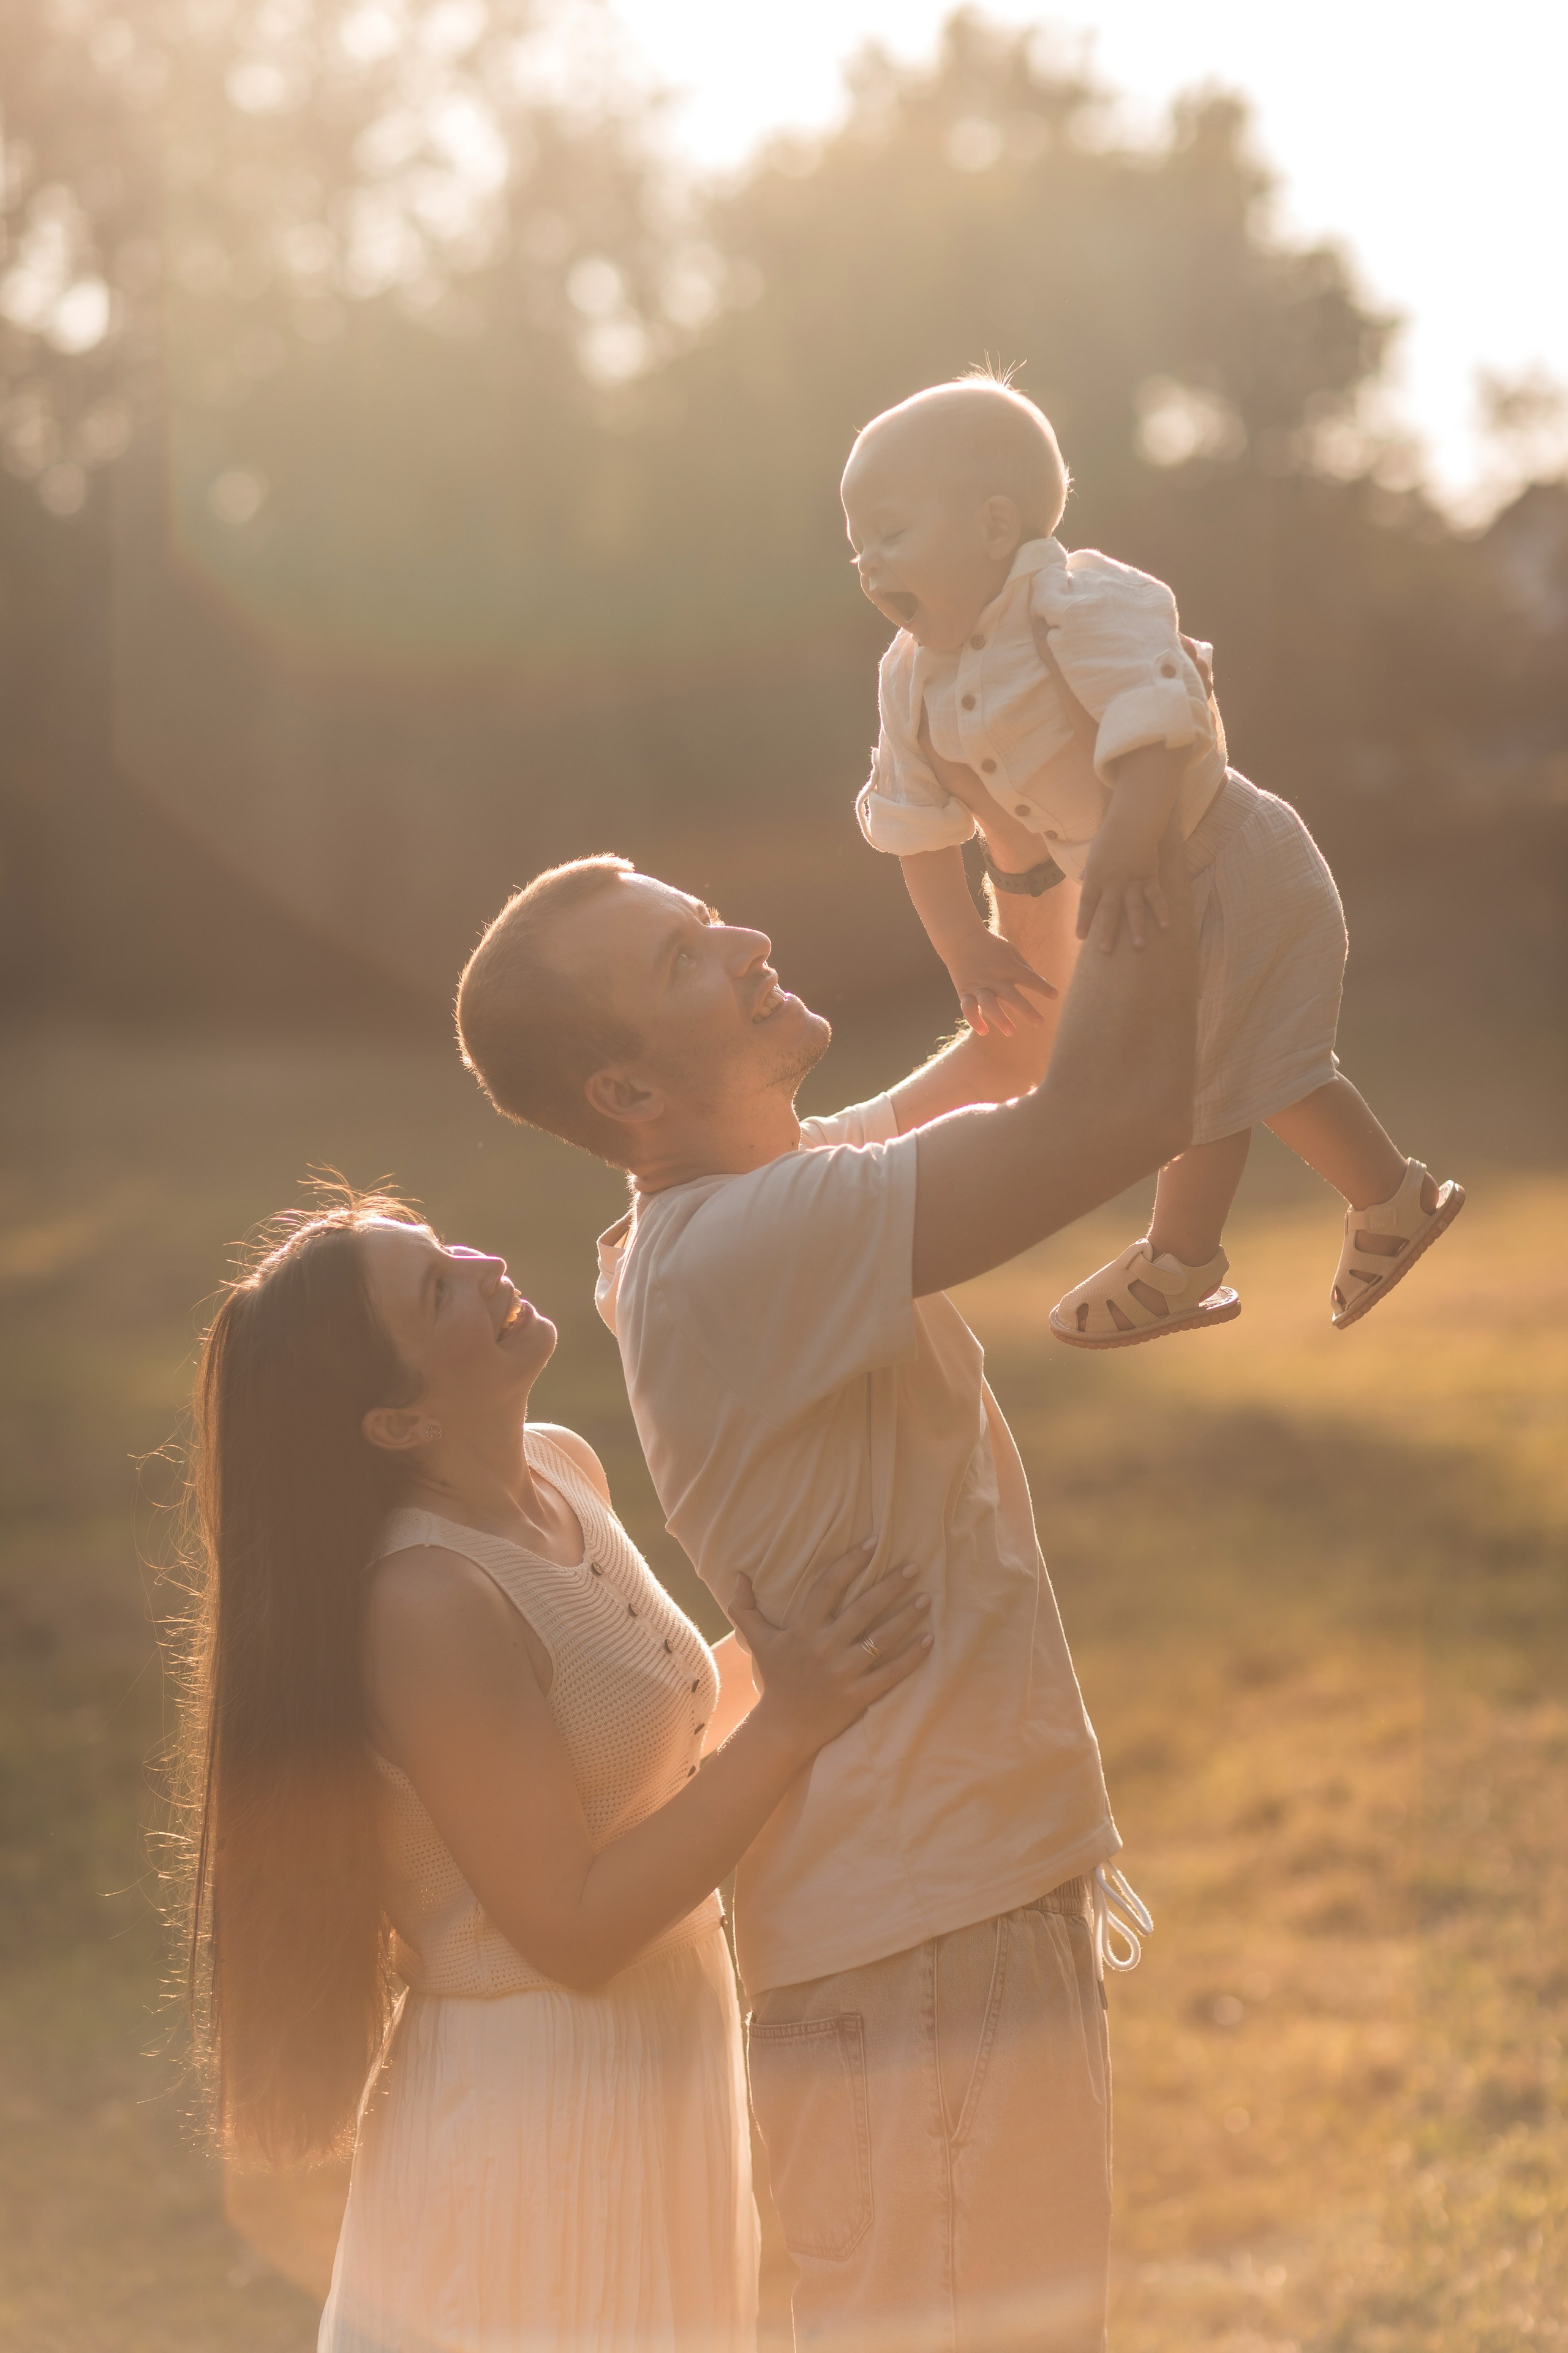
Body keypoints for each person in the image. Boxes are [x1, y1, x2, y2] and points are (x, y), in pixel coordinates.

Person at [454, 741, 1196, 2349]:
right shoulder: (743, 1251)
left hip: (941, 1900)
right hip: (916, 1926)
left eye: (712, 915)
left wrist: (1010, 830)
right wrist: (1147, 815)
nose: (745, 943)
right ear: (631, 1093)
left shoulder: (751, 1205)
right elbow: (1116, 1109)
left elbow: (1025, 1054)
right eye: (685, 958)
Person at [172, 1186, 930, 2353]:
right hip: (540, 2097)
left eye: (444, 1244)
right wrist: (792, 1718)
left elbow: (635, 1735)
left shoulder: (563, 1470)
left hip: (664, 2044)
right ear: (397, 1422)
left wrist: (795, 1654)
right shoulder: (427, 1599)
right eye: (437, 1290)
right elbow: (567, 1927)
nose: (481, 1260)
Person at [843, 374, 1464, 1346]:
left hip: (1224, 856)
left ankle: (1190, 1259)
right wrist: (966, 944)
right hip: (1134, 894)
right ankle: (1384, 1203)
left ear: (995, 526)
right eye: (857, 545)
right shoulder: (908, 679)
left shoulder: (1077, 597)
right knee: (1237, 1073)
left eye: (889, 534)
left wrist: (1131, 834)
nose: (866, 563)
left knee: (1229, 1073)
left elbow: (1157, 710)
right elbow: (915, 824)